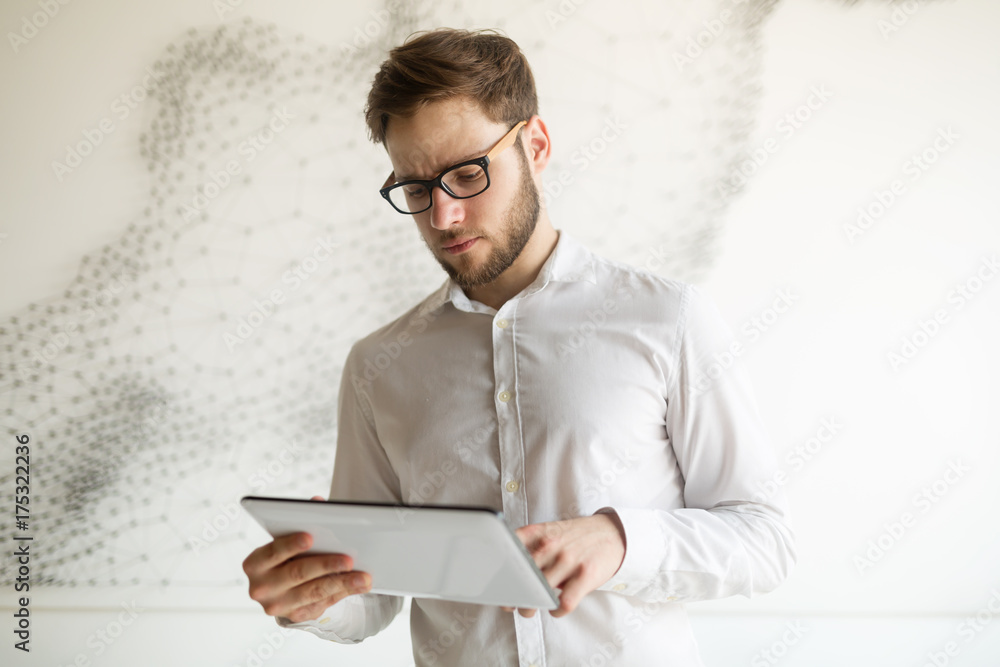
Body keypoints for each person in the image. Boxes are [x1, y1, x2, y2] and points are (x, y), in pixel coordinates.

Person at [242, 27, 796, 666]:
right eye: (416, 189)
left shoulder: (666, 319)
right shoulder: (378, 367)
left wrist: (620, 541)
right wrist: (311, 596)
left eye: (466, 174)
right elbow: (372, 593)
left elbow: (764, 540)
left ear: (535, 145)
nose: (442, 217)